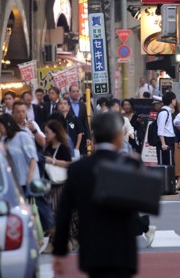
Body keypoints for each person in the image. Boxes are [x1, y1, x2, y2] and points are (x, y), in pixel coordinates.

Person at [53, 112, 140, 277]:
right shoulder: (129, 165)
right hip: (122, 249)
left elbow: (64, 213)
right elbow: (146, 201)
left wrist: (59, 252)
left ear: (93, 137)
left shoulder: (78, 169)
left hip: (92, 247)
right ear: (117, 136)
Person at [43, 120, 74, 252]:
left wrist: (53, 161)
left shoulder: (64, 147)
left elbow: (69, 164)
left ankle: (62, 241)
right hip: (49, 185)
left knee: (57, 213)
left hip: (60, 185)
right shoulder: (47, 148)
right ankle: (54, 241)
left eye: (47, 132)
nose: (46, 135)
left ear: (55, 133)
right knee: (51, 214)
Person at [68, 85, 91, 156]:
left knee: (82, 156)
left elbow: (85, 121)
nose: (75, 93)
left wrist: (88, 137)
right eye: (73, 91)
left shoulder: (82, 105)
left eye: (77, 91)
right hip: (70, 134)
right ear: (70, 93)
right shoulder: (65, 104)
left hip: (81, 135)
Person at [157, 91, 177, 166]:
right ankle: (166, 178)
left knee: (170, 162)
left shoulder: (168, 111)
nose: (175, 101)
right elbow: (160, 129)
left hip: (170, 139)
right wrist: (163, 144)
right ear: (172, 100)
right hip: (166, 140)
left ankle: (170, 177)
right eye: (175, 99)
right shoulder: (164, 113)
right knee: (167, 163)